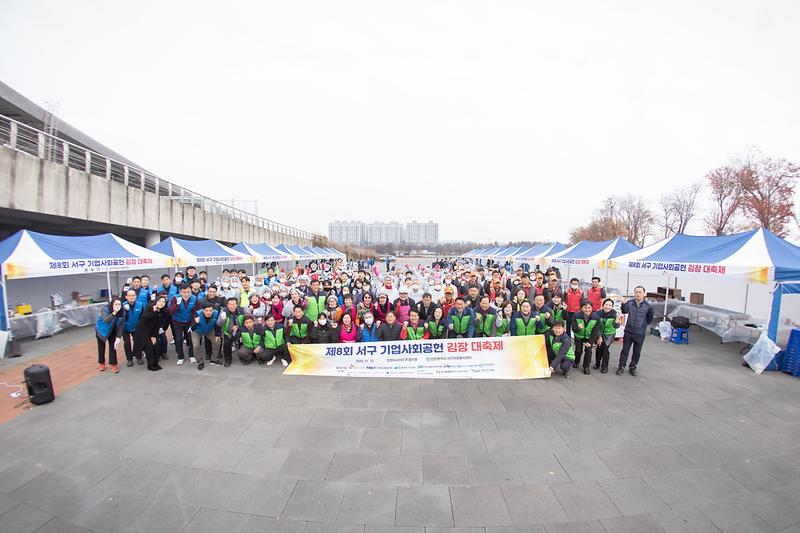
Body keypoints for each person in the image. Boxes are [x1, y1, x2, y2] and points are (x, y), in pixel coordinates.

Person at [617, 286, 654, 377]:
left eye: (640, 292)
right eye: (636, 292)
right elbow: (624, 311)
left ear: (644, 294)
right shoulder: (630, 303)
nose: (638, 294)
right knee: (625, 350)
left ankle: (632, 367)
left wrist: (642, 326)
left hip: (640, 333)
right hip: (629, 331)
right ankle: (621, 366)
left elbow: (649, 319)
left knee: (637, 351)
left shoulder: (648, 306)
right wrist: (624, 303)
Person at [134, 295, 169, 371]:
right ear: (156, 301)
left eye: (163, 302)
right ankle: (151, 365)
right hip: (143, 331)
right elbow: (145, 318)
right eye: (160, 301)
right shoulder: (150, 307)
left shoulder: (163, 312)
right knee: (149, 347)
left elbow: (158, 325)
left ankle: (156, 363)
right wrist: (153, 311)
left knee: (156, 346)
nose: (161, 303)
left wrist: (154, 336)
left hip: (153, 331)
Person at [169, 284, 198, 365]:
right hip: (177, 322)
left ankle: (191, 355)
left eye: (188, 292)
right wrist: (177, 305)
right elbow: (171, 311)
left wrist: (192, 324)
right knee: (178, 339)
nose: (186, 294)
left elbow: (194, 312)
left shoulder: (194, 298)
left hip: (188, 322)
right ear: (180, 292)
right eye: (184, 292)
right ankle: (180, 356)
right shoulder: (175, 298)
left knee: (190, 339)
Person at [95, 297, 125, 372]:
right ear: (112, 304)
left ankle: (113, 364)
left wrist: (118, 337)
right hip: (102, 330)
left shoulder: (123, 312)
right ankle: (101, 363)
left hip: (113, 330)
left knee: (113, 347)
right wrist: (114, 312)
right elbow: (106, 320)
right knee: (101, 347)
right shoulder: (105, 310)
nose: (117, 306)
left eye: (119, 304)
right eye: (116, 304)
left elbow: (121, 325)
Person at [572, 300, 600, 374]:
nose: (587, 309)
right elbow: (573, 329)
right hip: (579, 336)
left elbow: (595, 331)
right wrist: (578, 328)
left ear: (592, 308)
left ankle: (586, 366)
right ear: (581, 308)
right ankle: (576, 361)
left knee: (588, 351)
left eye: (589, 307)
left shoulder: (596, 317)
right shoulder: (576, 315)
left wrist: (590, 341)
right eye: (585, 308)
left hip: (589, 337)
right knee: (578, 351)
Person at [191, 302, 220, 370]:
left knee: (217, 341)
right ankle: (200, 361)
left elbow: (217, 325)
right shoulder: (197, 314)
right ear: (202, 310)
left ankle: (214, 359)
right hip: (197, 331)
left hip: (209, 330)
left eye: (210, 310)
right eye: (206, 311)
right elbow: (192, 328)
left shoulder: (216, 313)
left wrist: (217, 335)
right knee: (196, 345)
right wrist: (196, 323)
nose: (208, 312)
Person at [121, 289, 145, 367]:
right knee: (127, 343)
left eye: (133, 295)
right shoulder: (122, 306)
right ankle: (129, 359)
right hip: (125, 328)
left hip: (136, 327)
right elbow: (120, 318)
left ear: (136, 296)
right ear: (126, 297)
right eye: (129, 296)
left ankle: (138, 357)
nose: (131, 297)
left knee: (138, 342)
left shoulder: (140, 305)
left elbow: (142, 317)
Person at [218, 297, 243, 367]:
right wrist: (223, 319)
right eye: (230, 305)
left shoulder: (241, 311)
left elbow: (245, 322)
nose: (231, 306)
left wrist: (238, 327)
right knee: (226, 343)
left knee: (242, 341)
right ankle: (227, 359)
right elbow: (218, 323)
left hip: (239, 330)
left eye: (233, 304)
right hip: (227, 332)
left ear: (237, 305)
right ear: (227, 305)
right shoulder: (223, 311)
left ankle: (243, 356)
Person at [595, 298, 619, 373]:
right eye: (606, 304)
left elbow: (616, 326)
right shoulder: (598, 313)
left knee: (605, 349)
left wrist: (617, 319)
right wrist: (599, 336)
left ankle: (604, 366)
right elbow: (596, 326)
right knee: (599, 348)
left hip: (609, 334)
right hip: (600, 332)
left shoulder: (615, 314)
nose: (608, 307)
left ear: (612, 306)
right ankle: (597, 363)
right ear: (603, 305)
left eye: (610, 305)